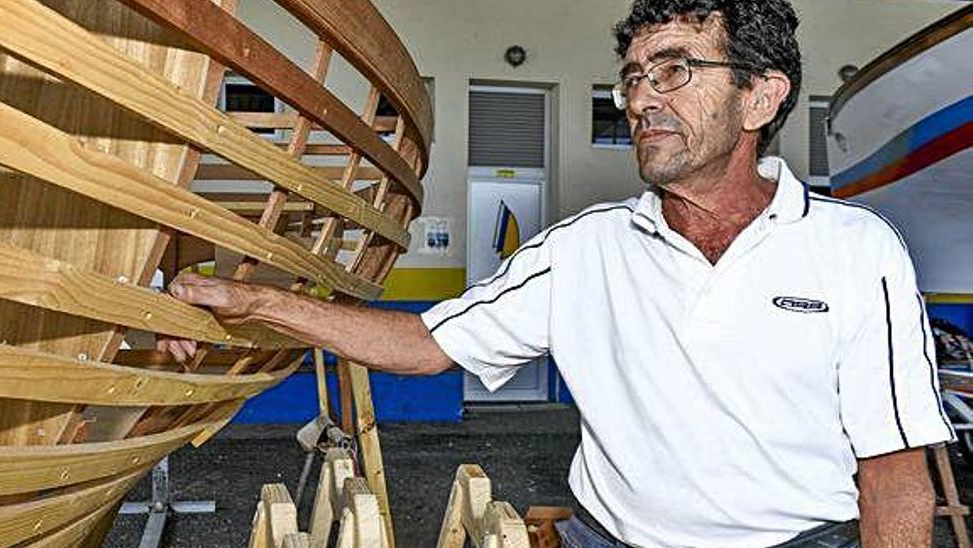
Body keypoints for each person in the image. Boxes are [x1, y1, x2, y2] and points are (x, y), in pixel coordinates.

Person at [163, 0, 955, 545]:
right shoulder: (583, 250)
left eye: (673, 71)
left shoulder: (857, 251)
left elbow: (894, 469)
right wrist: (256, 301)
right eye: (634, 77)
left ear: (760, 98)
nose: (641, 98)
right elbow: (424, 344)